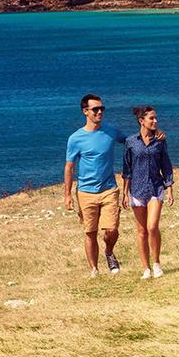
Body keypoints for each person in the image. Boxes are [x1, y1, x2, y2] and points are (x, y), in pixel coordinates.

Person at [64, 94, 124, 278]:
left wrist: (152, 133)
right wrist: (67, 195)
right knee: (90, 232)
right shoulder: (75, 138)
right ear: (85, 112)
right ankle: (94, 270)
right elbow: (69, 166)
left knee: (111, 230)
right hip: (85, 192)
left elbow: (130, 141)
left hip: (109, 189)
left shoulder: (110, 131)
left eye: (102, 109)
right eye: (95, 109)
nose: (99, 112)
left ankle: (109, 252)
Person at [121, 105, 174, 280]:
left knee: (152, 226)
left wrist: (170, 188)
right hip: (136, 189)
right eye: (151, 118)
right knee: (142, 231)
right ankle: (146, 268)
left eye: (156, 118)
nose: (155, 121)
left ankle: (157, 263)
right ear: (141, 121)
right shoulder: (130, 142)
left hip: (155, 187)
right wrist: (124, 193)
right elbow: (127, 169)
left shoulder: (160, 140)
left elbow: (166, 164)